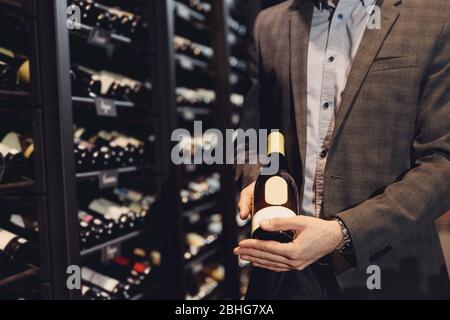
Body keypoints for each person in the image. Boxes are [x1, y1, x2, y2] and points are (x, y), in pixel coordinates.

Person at [234, 0, 450, 299]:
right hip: (283, 273)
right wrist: (257, 177)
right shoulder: (269, 24)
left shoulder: (435, 16)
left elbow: (443, 162)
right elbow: (252, 134)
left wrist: (343, 233)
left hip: (389, 267)